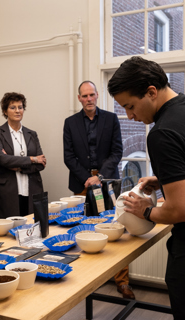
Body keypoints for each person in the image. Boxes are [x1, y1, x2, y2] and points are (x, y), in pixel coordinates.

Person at [108, 56, 185, 319]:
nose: (129, 115)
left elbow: (178, 211)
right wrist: (163, 179)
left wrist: (145, 211)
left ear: (151, 92)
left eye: (130, 106)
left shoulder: (161, 133)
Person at [63, 81, 135, 300]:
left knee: (115, 232)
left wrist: (99, 176)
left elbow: (117, 151)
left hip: (107, 183)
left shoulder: (111, 119)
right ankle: (84, 281)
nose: (89, 99)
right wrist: (87, 179)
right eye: (84, 96)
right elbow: (69, 156)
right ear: (79, 98)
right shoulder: (70, 122)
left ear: (97, 96)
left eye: (92, 94)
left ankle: (122, 282)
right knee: (81, 231)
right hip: (81, 185)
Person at [0, 92, 46, 219]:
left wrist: (18, 166)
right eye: (12, 107)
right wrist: (32, 159)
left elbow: (41, 163)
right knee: (10, 229)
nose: (17, 111)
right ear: (5, 111)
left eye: (20, 107)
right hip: (8, 190)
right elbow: (2, 159)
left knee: (32, 227)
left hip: (31, 188)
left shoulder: (32, 134)